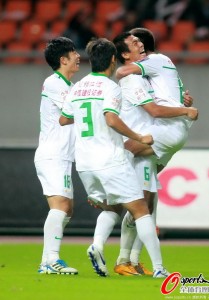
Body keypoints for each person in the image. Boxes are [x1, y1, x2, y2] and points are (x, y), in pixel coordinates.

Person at [59, 37, 170, 278]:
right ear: (112, 59)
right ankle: (160, 268)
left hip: (85, 164)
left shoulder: (77, 87)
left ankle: (97, 246)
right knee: (141, 209)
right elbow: (111, 118)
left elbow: (64, 118)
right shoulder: (111, 87)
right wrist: (139, 137)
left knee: (111, 208)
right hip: (109, 159)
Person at [112, 31, 198, 275]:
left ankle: (124, 257)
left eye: (138, 41)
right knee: (147, 202)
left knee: (135, 189)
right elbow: (165, 98)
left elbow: (122, 72)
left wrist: (182, 106)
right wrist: (183, 102)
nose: (137, 44)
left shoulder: (152, 63)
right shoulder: (152, 73)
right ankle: (130, 260)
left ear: (143, 50)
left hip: (163, 130)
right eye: (133, 43)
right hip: (164, 132)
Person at [34, 37, 80, 274]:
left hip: (62, 155)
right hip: (53, 154)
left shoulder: (69, 86)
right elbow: (69, 115)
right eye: (73, 53)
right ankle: (51, 260)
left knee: (67, 209)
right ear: (63, 59)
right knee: (61, 205)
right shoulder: (54, 83)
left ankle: (46, 261)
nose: (78, 56)